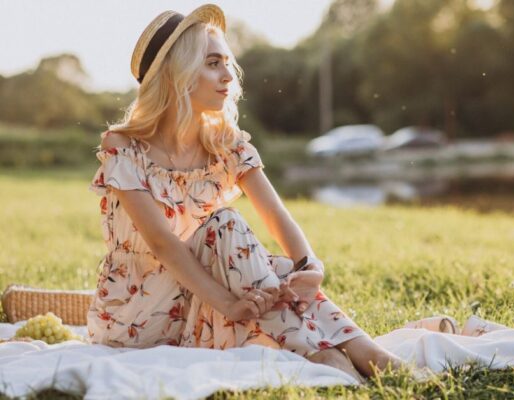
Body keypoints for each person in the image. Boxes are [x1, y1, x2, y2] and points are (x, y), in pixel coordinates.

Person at [87, 4, 408, 382]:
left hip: (202, 304)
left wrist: (311, 268)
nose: (228, 76)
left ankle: (361, 351)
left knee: (284, 269)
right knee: (224, 224)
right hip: (138, 323)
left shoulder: (226, 144)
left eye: (227, 62)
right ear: (178, 74)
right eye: (212, 63)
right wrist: (230, 304)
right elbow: (162, 243)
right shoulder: (124, 147)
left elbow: (276, 215)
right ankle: (325, 353)